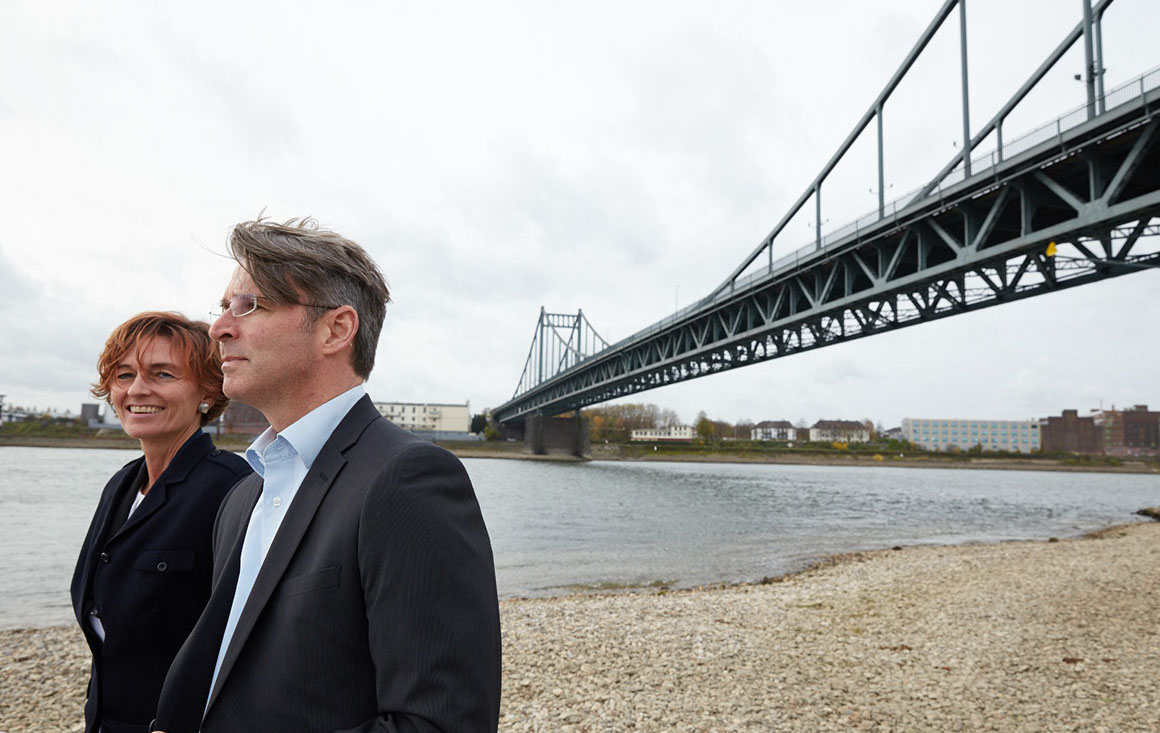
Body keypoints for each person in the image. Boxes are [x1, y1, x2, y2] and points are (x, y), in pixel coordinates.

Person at [153, 218, 501, 733]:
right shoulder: (243, 496)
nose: (219, 328)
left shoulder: (408, 480)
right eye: (222, 307)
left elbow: (442, 723)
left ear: (336, 330)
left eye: (248, 305)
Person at [71, 312, 252, 733]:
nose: (137, 389)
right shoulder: (121, 484)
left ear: (207, 389)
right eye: (124, 375)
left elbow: (248, 637)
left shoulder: (234, 488)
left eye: (162, 374)